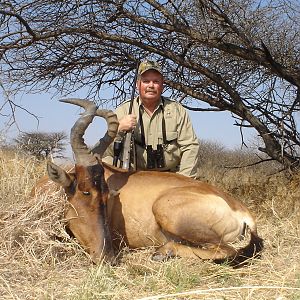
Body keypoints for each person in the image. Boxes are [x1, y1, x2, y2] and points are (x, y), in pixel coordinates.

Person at [102, 60, 200, 178]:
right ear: (138, 84)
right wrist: (119, 129)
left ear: (162, 85)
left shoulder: (177, 110)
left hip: (171, 176)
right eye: (146, 81)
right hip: (134, 175)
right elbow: (109, 153)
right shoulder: (123, 110)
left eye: (156, 81)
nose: (151, 85)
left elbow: (190, 146)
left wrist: (184, 180)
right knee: (104, 163)